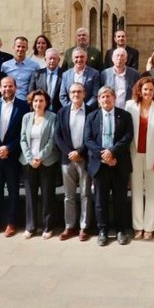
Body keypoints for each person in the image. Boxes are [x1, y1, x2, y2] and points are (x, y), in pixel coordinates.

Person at [85, 84, 133, 246]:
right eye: (102, 97)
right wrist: (104, 155)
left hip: (119, 163)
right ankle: (103, 231)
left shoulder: (125, 115)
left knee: (120, 199)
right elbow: (88, 139)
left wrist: (112, 152)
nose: (106, 99)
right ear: (99, 100)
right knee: (100, 200)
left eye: (108, 96)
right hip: (99, 165)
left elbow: (128, 137)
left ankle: (120, 230)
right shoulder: (91, 116)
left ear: (114, 98)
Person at [0, 76, 28, 236]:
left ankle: (11, 223)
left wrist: (8, 148)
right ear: (0, 88)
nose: (7, 89)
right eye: (4, 86)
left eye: (10, 86)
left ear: (15, 87)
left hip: (12, 156)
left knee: (13, 191)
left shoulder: (23, 106)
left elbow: (24, 131)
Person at [126, 77, 154, 239]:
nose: (148, 92)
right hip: (134, 155)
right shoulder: (130, 106)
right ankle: (138, 227)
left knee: (151, 192)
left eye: (151, 90)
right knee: (136, 191)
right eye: (145, 89)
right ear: (139, 90)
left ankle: (149, 227)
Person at [54, 82, 94, 241]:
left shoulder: (91, 111)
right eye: (73, 92)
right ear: (69, 95)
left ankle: (84, 227)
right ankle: (69, 226)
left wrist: (80, 152)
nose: (76, 94)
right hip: (67, 158)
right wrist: (69, 152)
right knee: (68, 195)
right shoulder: (62, 112)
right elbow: (57, 135)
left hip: (85, 158)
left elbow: (93, 135)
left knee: (85, 194)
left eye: (79, 91)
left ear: (84, 94)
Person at [20, 88, 60, 239]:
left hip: (47, 161)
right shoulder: (26, 117)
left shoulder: (52, 117)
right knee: (30, 196)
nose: (38, 103)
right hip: (28, 162)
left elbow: (52, 140)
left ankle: (48, 226)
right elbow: (23, 139)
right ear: (31, 102)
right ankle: (30, 226)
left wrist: (40, 157)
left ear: (46, 102)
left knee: (47, 195)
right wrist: (30, 158)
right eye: (35, 100)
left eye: (41, 101)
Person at [1, 36, 39, 101]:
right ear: (13, 47)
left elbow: (38, 85)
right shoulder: (5, 66)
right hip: (9, 101)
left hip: (26, 101)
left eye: (23, 47)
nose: (20, 49)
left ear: (27, 48)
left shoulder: (34, 66)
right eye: (18, 46)